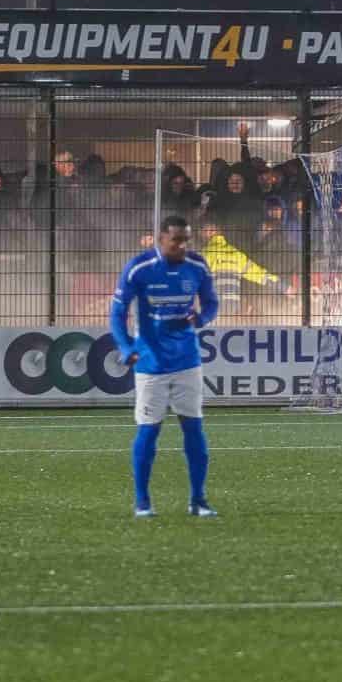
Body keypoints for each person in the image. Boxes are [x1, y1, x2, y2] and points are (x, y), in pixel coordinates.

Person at [110, 216, 220, 519]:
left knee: (194, 429)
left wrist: (201, 318)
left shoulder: (197, 266)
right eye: (176, 240)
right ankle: (142, 502)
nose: (182, 246)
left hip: (187, 361)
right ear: (161, 239)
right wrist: (126, 347)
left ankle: (198, 500)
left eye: (186, 240)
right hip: (151, 364)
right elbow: (117, 313)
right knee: (148, 431)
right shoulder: (139, 268)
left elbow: (212, 302)